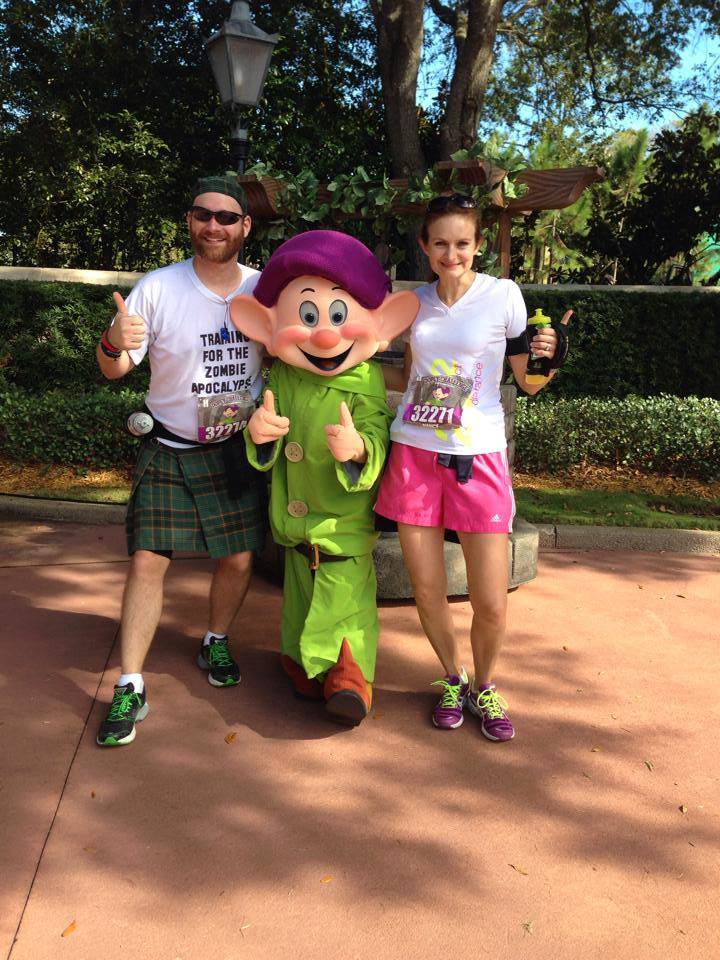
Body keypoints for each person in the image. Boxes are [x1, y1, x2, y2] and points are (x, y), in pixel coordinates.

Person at [375, 193, 570, 741]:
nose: (451, 254)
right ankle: (451, 677)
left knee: (489, 600)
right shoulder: (413, 303)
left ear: (478, 244)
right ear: (424, 246)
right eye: (440, 243)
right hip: (415, 453)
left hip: (478, 456)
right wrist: (339, 367)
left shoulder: (503, 295)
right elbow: (408, 378)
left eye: (462, 243)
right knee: (427, 588)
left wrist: (553, 354)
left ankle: (485, 685)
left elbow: (529, 381)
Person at [95, 174, 267, 747]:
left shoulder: (265, 290)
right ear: (190, 221)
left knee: (238, 559)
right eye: (202, 214)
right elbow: (114, 368)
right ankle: (130, 682)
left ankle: (215, 639)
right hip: (169, 444)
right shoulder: (158, 288)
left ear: (245, 226)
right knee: (147, 560)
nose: (213, 225)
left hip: (235, 448)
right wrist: (114, 340)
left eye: (226, 217)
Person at [229, 230, 419, 725]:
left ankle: (350, 678)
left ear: (381, 323)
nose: (326, 336)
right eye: (309, 317)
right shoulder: (283, 375)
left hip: (342, 527)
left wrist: (359, 449)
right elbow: (268, 425)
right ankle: (300, 665)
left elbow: (377, 435)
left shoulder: (365, 378)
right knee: (299, 602)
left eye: (338, 316)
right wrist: (261, 434)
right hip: (295, 529)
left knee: (346, 606)